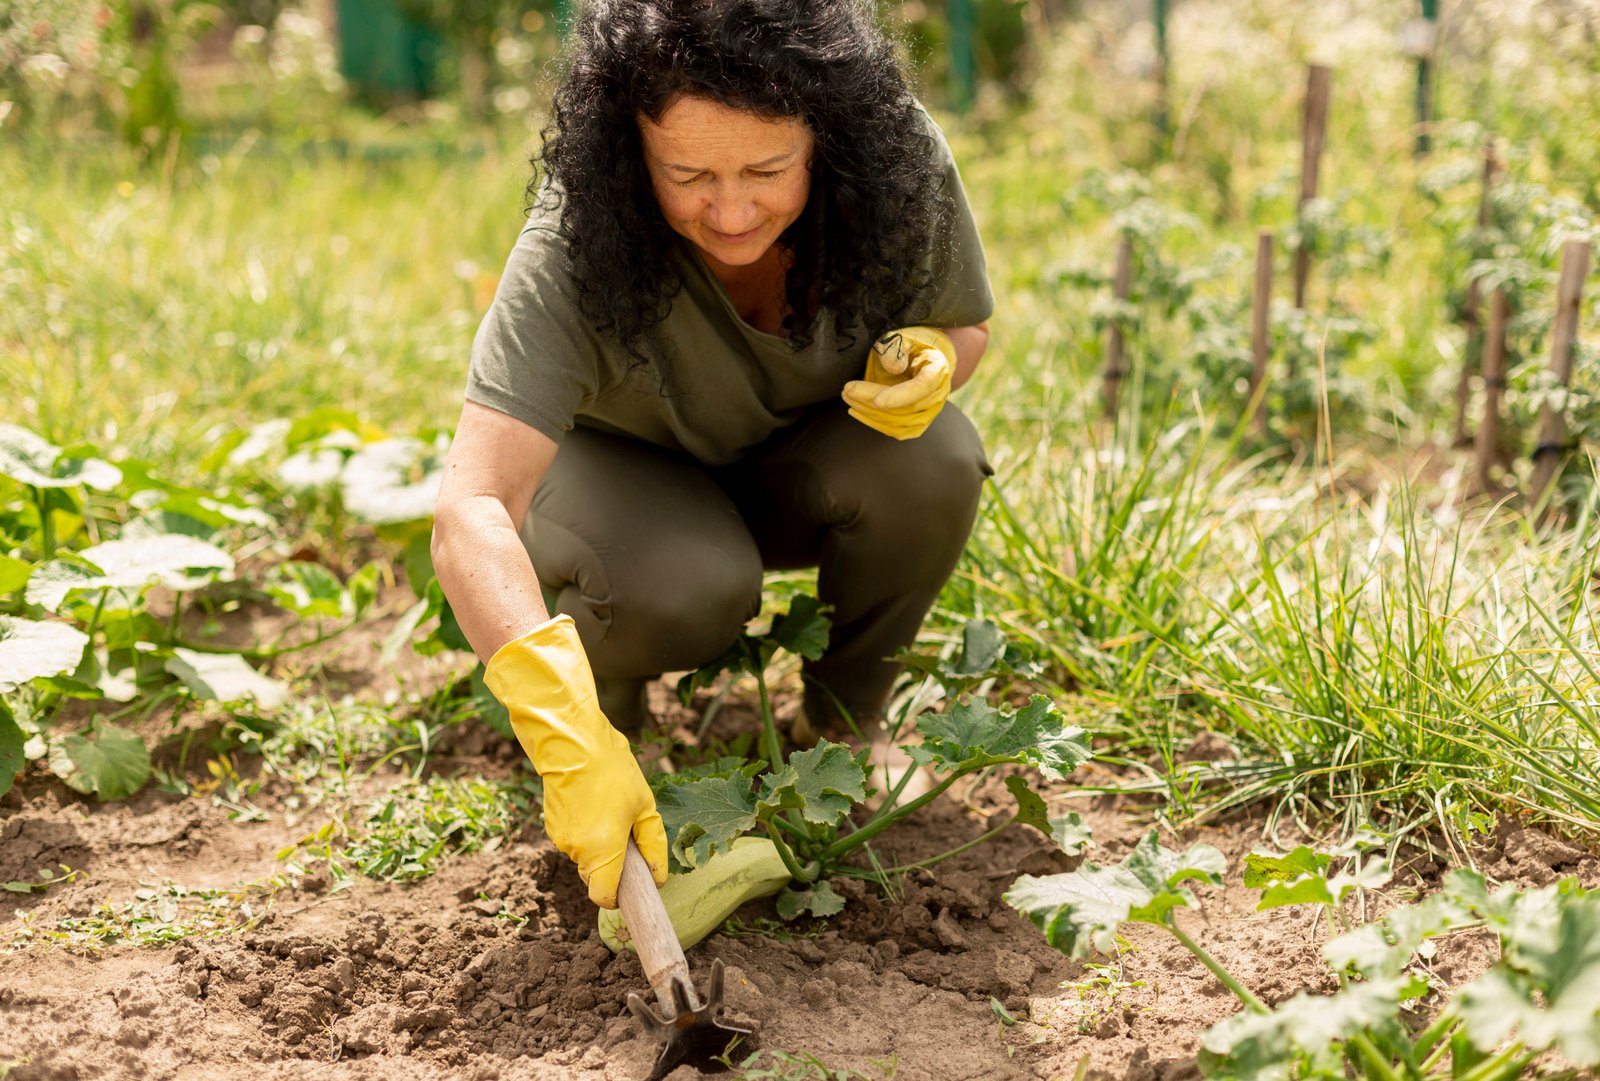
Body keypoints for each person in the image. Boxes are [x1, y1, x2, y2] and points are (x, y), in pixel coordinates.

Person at [430, 0, 994, 911]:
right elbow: (469, 507)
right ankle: (604, 714)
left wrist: (935, 360)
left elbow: (964, 324)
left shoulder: (897, 168)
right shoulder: (577, 239)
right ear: (631, 153)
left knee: (934, 456)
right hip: (620, 477)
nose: (731, 211)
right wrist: (553, 721)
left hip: (792, 464)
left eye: (769, 170)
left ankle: (847, 720)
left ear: (828, 139)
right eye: (685, 173)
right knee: (684, 584)